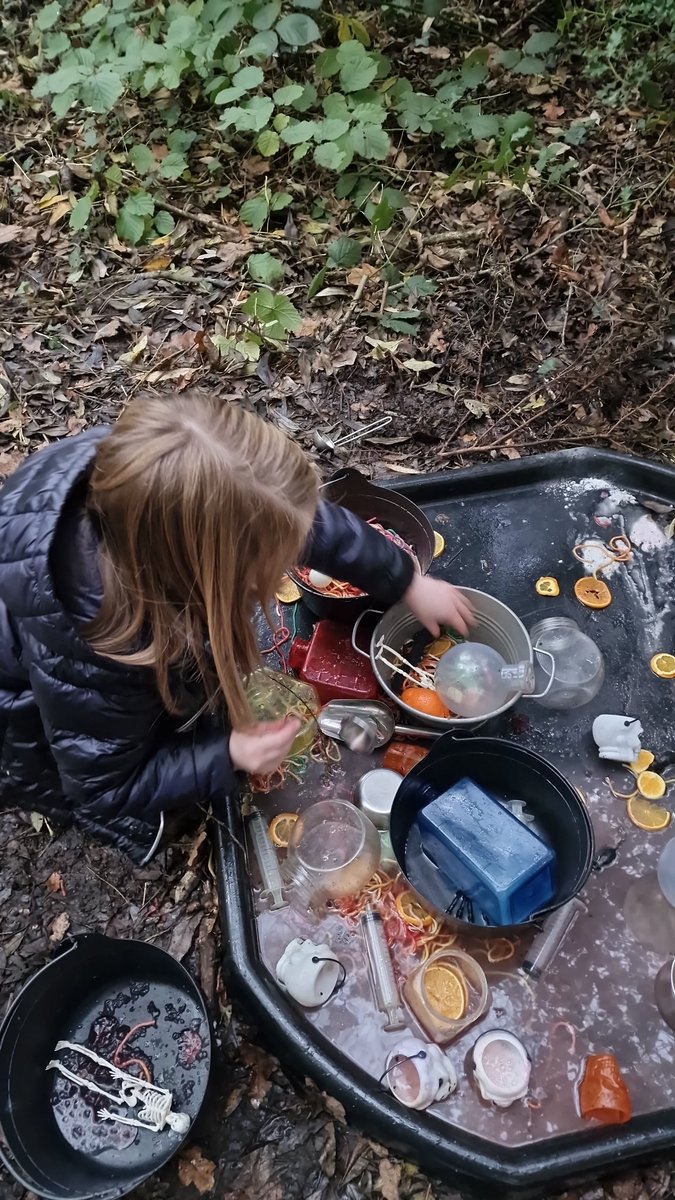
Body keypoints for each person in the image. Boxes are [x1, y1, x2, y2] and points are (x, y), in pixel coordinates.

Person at [0, 392, 473, 863]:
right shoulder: (106, 649)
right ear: (203, 578)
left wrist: (403, 578)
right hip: (28, 710)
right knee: (121, 770)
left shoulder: (154, 477)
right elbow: (102, 786)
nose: (286, 562)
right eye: (270, 565)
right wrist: (225, 754)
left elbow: (293, 517)